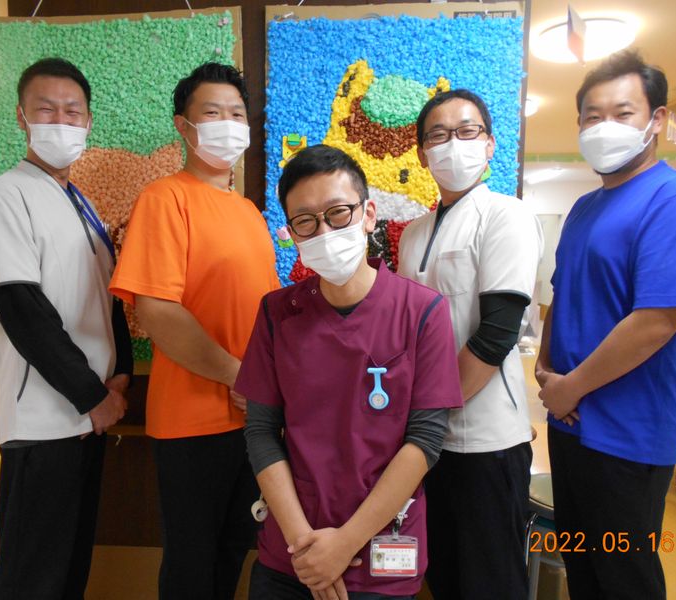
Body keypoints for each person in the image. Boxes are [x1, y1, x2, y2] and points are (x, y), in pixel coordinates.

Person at [236, 144, 463, 600]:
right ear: (292, 233)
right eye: (306, 221)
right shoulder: (278, 313)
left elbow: (425, 439)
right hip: (292, 554)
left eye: (338, 213)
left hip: (382, 552)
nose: (324, 231)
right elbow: (260, 430)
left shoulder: (422, 311)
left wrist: (343, 545)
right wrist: (307, 548)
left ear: (368, 214)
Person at [536, 50, 676, 599]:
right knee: (583, 573)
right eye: (592, 116)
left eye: (622, 113)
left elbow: (657, 320)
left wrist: (570, 386)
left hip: (627, 436)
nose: (604, 127)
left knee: (625, 581)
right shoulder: (585, 208)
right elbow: (561, 294)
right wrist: (544, 367)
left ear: (656, 120)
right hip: (570, 427)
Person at [109, 62, 279, 599]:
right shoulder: (165, 198)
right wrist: (239, 376)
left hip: (252, 420)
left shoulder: (250, 213)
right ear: (183, 126)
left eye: (237, 114)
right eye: (212, 112)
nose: (228, 124)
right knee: (191, 564)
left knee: (233, 552)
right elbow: (158, 312)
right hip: (191, 422)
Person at [0, 57, 132, 600]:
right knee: (32, 577)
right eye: (46, 110)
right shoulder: (6, 195)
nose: (61, 122)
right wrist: (93, 395)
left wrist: (120, 374)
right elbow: (21, 308)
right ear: (21, 117)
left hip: (88, 418)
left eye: (72, 112)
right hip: (43, 425)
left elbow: (105, 298)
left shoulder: (80, 203)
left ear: (88, 122)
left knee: (69, 570)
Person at [397, 89, 543, 600]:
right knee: (442, 576)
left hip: (486, 442)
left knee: (491, 582)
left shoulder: (506, 215)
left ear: (490, 144)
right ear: (422, 154)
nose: (453, 144)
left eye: (466, 131)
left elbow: (497, 334)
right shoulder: (413, 234)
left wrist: (429, 412)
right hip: (428, 445)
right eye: (438, 135)